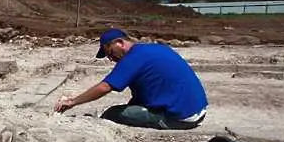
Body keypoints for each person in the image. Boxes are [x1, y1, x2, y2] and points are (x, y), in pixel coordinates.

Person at [54, 28, 208, 130]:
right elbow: (141, 93)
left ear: (120, 43)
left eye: (110, 53)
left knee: (112, 114)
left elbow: (105, 87)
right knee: (130, 109)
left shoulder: (133, 58)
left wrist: (72, 102)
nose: (110, 58)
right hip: (198, 110)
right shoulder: (156, 48)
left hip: (181, 117)